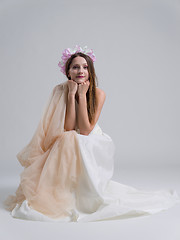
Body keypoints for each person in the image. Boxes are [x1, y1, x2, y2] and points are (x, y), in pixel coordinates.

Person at [4, 45, 180, 222]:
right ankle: (64, 191)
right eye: (75, 67)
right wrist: (72, 94)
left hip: (91, 138)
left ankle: (82, 193)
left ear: (90, 71)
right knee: (68, 138)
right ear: (68, 72)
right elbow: (69, 127)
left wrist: (82, 96)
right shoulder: (61, 90)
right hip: (70, 135)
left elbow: (86, 129)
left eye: (85, 67)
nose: (81, 70)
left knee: (71, 140)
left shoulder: (98, 93)